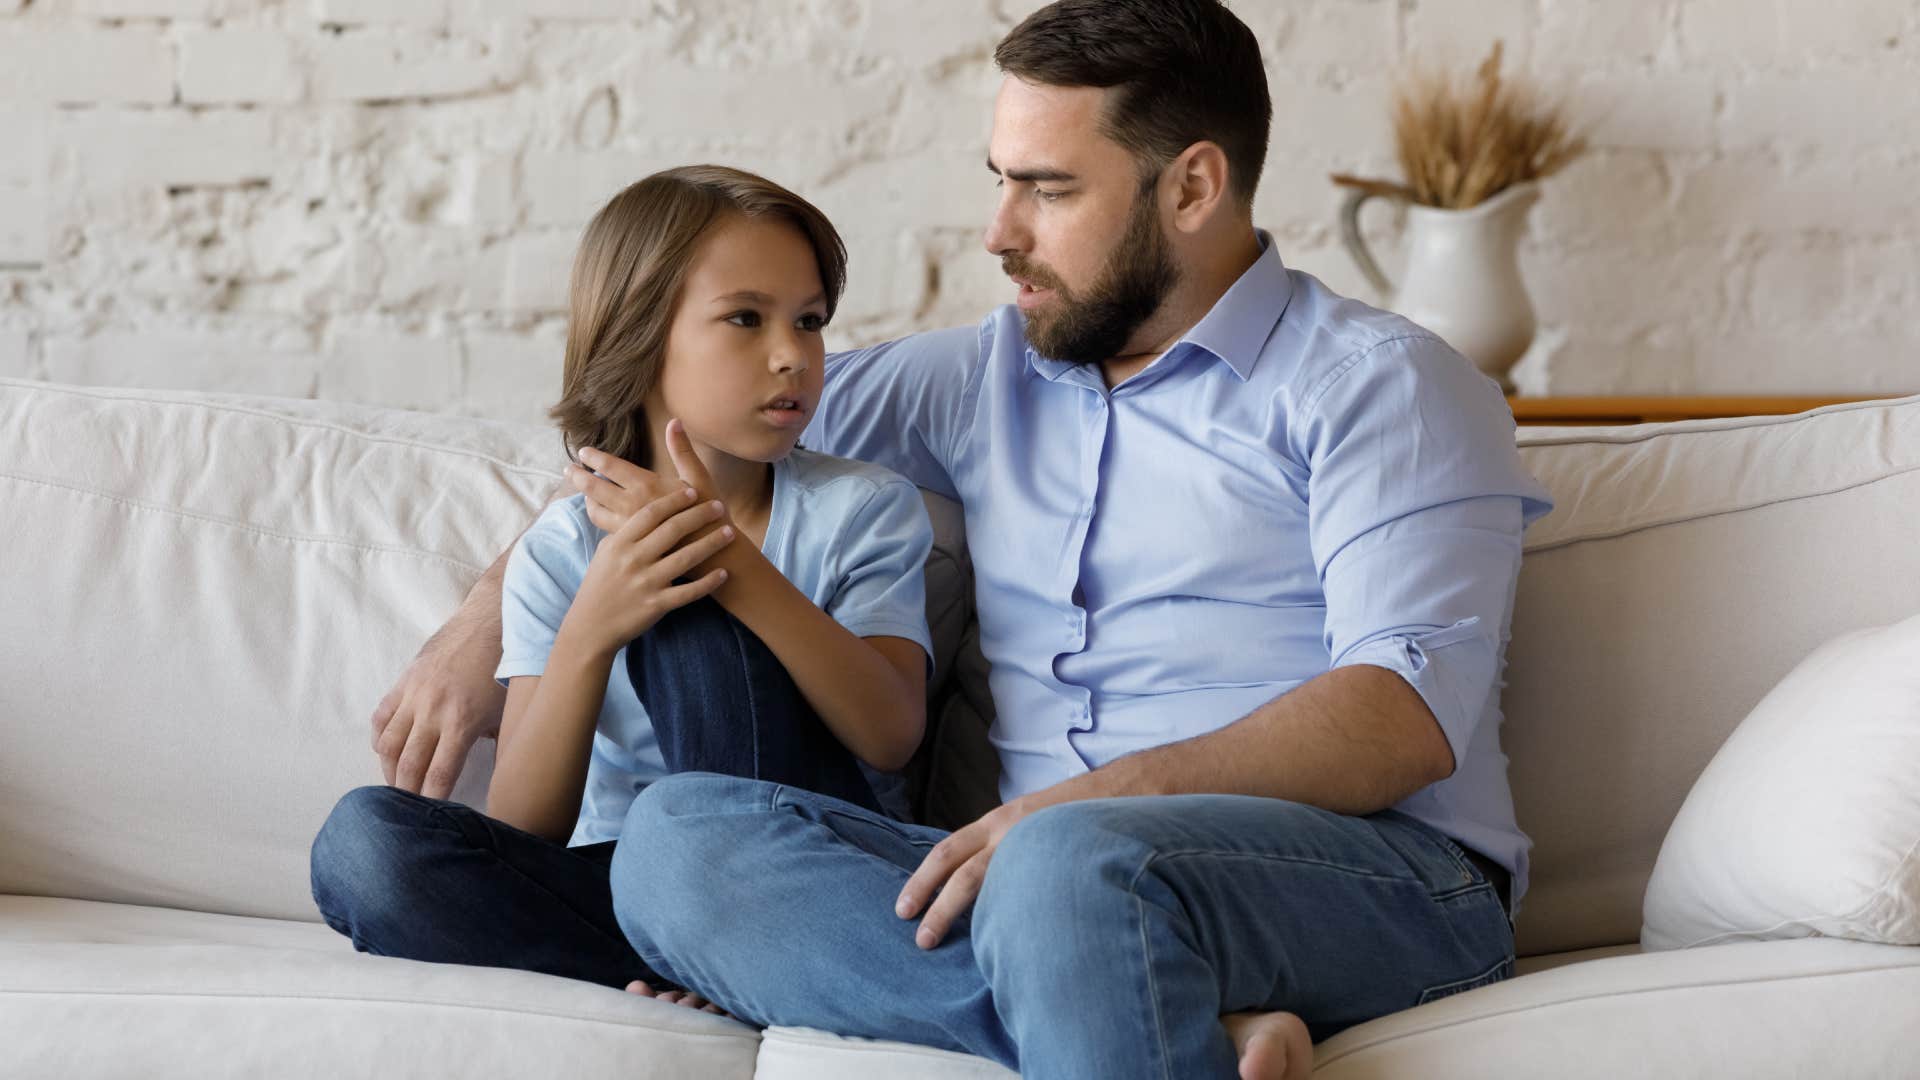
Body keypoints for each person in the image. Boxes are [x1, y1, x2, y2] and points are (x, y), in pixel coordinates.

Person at [369, 2, 1556, 1077]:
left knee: (1072, 869)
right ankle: (1154, 1016)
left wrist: (1077, 811)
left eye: (1047, 189)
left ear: (1192, 188)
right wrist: (490, 613)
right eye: (1000, 180)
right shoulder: (980, 377)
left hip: (1371, 880)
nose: (998, 231)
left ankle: (1105, 973)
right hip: (1021, 878)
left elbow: (1402, 712)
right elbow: (684, 421)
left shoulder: (1381, 386)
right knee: (676, 843)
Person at [310, 165, 938, 1015]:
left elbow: (892, 733)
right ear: (641, 338)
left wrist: (733, 565)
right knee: (363, 846)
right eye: (746, 319)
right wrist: (591, 630)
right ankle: (697, 973)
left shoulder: (862, 508)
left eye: (811, 321)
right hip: (624, 884)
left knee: (686, 593)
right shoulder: (561, 552)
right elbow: (525, 824)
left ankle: (755, 944)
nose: (794, 353)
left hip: (807, 866)